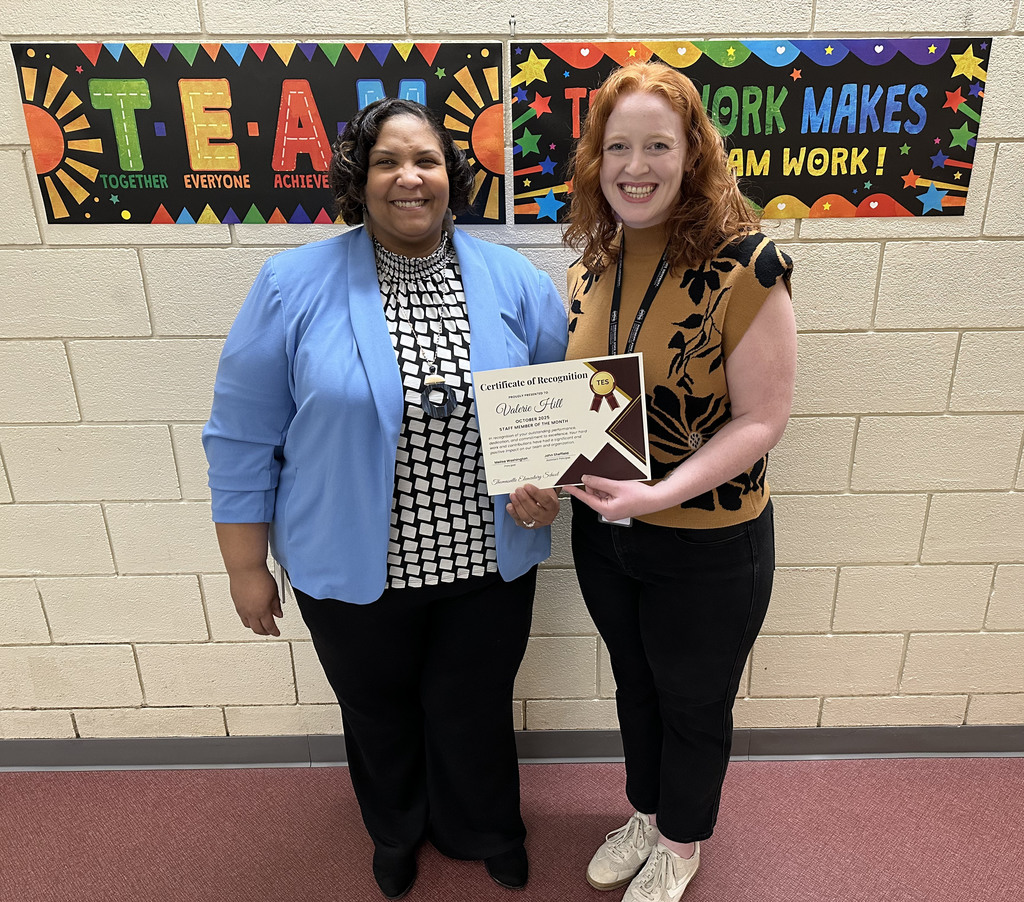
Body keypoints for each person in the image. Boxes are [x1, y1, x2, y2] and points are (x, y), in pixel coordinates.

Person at [203, 98, 567, 900]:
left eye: (427, 161)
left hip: (486, 558)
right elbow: (239, 433)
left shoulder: (514, 280)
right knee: (378, 711)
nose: (410, 177)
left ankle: (485, 827)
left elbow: (557, 405)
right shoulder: (292, 284)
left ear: (453, 177)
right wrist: (244, 566)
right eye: (388, 162)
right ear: (359, 181)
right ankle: (396, 829)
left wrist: (551, 487)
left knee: (472, 706)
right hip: (349, 561)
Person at [561, 62, 797, 902]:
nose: (637, 165)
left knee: (694, 703)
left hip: (709, 541)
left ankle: (682, 841)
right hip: (606, 533)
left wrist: (659, 497)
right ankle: (649, 809)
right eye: (618, 146)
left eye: (658, 144)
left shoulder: (748, 263)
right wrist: (543, 471)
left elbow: (762, 419)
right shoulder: (593, 260)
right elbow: (589, 402)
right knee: (636, 684)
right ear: (597, 158)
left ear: (693, 152)